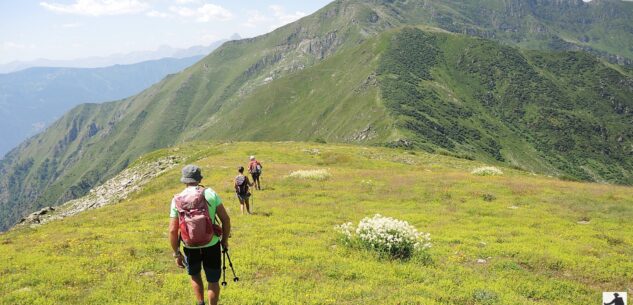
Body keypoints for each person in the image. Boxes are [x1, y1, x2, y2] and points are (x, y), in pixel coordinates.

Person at [169, 165, 231, 305]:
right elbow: (226, 219)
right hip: (212, 244)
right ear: (199, 178)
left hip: (189, 246)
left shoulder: (177, 199)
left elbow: (173, 230)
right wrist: (224, 240)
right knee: (213, 280)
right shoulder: (210, 194)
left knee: (195, 275)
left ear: (184, 180)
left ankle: (200, 302)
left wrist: (177, 253)